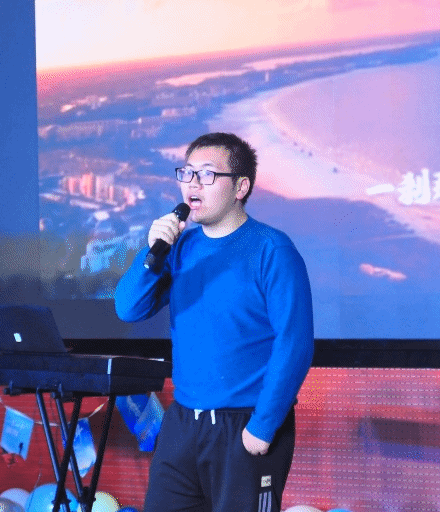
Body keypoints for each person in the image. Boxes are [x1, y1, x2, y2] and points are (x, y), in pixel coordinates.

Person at [114, 131, 314, 512]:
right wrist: (152, 251)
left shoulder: (272, 250)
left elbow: (295, 343)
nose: (192, 183)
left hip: (245, 423)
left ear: (241, 186)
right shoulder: (181, 248)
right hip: (182, 422)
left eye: (207, 174)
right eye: (186, 173)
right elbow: (128, 308)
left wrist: (264, 424)